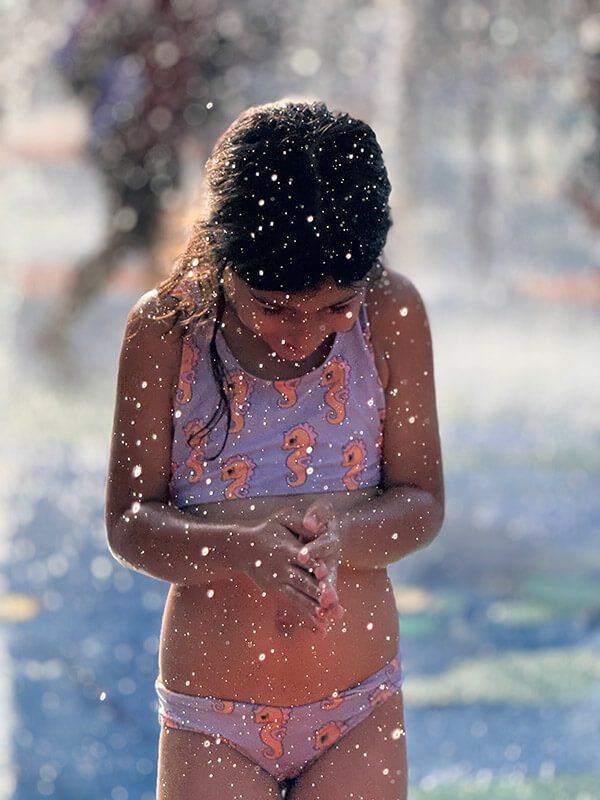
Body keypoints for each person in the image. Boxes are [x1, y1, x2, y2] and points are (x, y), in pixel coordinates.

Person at [106, 99, 444, 799]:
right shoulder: (167, 331)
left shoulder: (390, 315)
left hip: (360, 711)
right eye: (274, 306)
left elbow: (423, 503)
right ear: (227, 256)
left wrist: (345, 534)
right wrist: (237, 549)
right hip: (214, 724)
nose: (303, 332)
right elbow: (129, 523)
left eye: (333, 307)